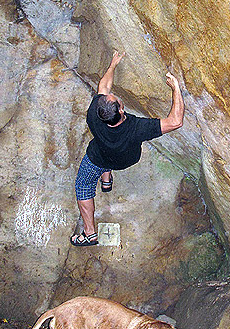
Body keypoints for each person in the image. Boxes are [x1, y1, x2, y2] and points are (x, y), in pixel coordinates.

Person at [71, 51, 185, 246]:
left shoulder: (94, 115)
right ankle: (104, 187)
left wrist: (113, 64)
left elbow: (103, 87)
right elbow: (175, 122)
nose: (111, 94)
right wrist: (176, 89)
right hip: (127, 159)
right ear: (121, 110)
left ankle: (90, 231)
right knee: (99, 168)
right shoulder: (137, 129)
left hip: (99, 156)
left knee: (84, 186)